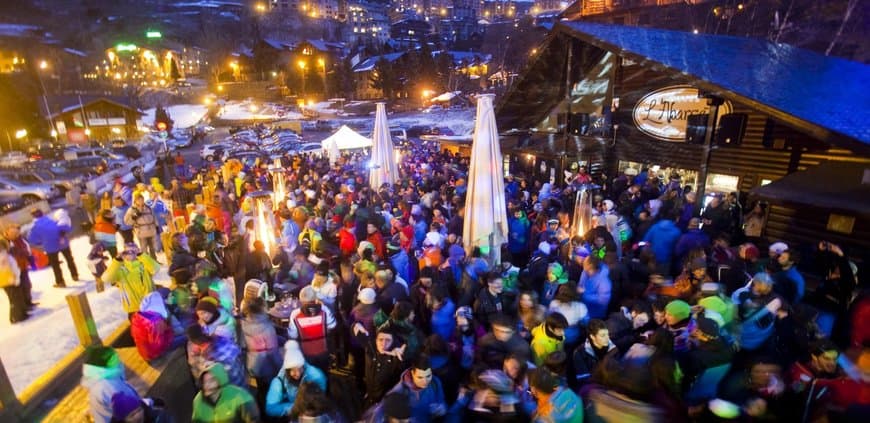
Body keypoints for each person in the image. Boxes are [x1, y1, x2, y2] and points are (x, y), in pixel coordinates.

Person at [265, 340, 328, 418]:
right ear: (287, 370)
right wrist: (295, 408)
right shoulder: (279, 382)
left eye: (299, 368)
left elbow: (321, 398)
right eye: (293, 370)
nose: (297, 373)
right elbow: (270, 408)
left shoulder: (316, 376)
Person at [239, 297, 282, 409]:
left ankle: (261, 412)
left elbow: (243, 345)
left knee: (261, 389)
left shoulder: (243, 324)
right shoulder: (267, 327)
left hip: (253, 363)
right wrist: (280, 367)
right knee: (272, 391)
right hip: (268, 365)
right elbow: (272, 352)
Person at [81, 346, 140, 423]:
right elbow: (130, 411)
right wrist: (147, 404)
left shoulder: (110, 376)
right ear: (104, 364)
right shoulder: (107, 387)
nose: (119, 361)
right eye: (114, 359)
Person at [191, 363, 260, 423]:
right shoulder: (198, 401)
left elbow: (253, 419)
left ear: (221, 381)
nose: (206, 385)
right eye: (204, 381)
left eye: (211, 380)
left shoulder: (240, 396)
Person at [103, 243, 159, 316]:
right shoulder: (119, 269)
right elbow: (106, 278)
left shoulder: (144, 264)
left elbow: (156, 268)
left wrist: (141, 255)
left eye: (133, 251)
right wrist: (117, 260)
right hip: (133, 309)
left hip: (151, 304)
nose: (130, 253)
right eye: (127, 252)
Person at [387, 354, 447, 422]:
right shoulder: (398, 392)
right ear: (412, 373)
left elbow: (442, 402)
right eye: (420, 377)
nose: (425, 381)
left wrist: (442, 409)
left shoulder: (435, 383)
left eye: (428, 376)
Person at [27, 208, 78, 287]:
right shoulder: (52, 220)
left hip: (50, 247)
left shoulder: (35, 227)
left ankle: (60, 282)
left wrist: (41, 242)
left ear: (33, 217)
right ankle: (75, 275)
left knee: (55, 265)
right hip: (63, 243)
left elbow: (32, 239)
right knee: (69, 259)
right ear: (42, 213)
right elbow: (65, 227)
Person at [130, 291, 181, 361]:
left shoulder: (137, 316)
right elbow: (158, 345)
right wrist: (170, 333)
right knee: (186, 337)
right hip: (153, 354)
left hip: (143, 351)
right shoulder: (155, 323)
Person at [572, 318, 616, 387]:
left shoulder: (613, 349)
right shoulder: (579, 353)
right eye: (602, 335)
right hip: (593, 389)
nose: (607, 338)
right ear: (592, 336)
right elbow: (584, 381)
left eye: (607, 334)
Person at [3, 222, 35, 312]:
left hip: (23, 265)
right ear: (8, 234)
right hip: (15, 269)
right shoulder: (7, 243)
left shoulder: (20, 239)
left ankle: (29, 302)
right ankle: (24, 305)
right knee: (21, 288)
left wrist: (29, 258)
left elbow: (26, 249)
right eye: (13, 234)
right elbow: (9, 256)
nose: (16, 235)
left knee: (27, 285)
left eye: (16, 234)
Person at [125, 194, 159, 259]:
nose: (141, 201)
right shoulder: (132, 210)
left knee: (152, 248)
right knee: (144, 249)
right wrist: (134, 217)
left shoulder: (148, 208)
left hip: (151, 231)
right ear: (135, 201)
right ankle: (146, 263)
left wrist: (156, 226)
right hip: (141, 232)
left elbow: (154, 217)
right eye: (139, 200)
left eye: (142, 199)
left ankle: (154, 261)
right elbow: (127, 221)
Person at [0, 238, 26, 323]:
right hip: (10, 280)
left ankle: (18, 315)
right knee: (15, 298)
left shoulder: (5, 256)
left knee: (14, 298)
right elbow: (13, 267)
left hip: (5, 281)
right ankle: (17, 316)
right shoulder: (6, 256)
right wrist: (17, 277)